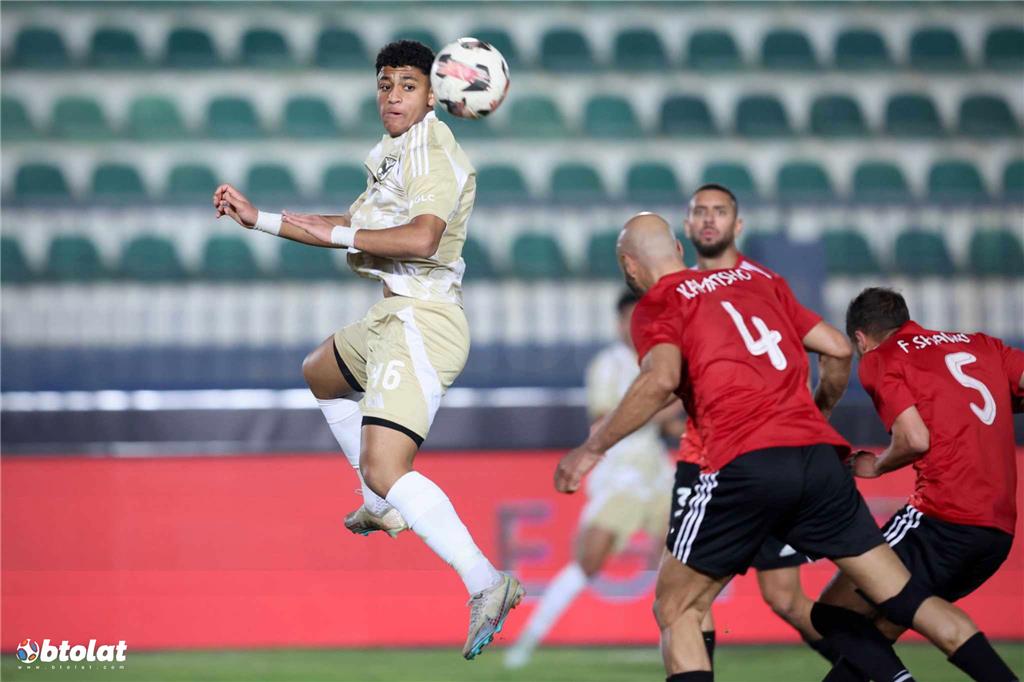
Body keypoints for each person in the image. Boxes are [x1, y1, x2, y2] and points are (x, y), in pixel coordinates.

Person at [553, 211, 1016, 682]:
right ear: (678, 248)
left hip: (745, 464)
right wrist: (819, 412)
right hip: (819, 461)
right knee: (902, 598)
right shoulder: (756, 281)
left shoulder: (661, 302)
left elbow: (660, 378)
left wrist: (591, 448)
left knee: (678, 607)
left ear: (629, 266)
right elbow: (838, 349)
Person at [212, 40, 522, 660]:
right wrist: (261, 219)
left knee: (386, 466)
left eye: (408, 85)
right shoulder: (393, 154)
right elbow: (343, 227)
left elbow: (422, 238)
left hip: (423, 321)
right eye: (385, 85)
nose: (393, 96)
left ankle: (487, 581)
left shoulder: (432, 148)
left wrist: (345, 234)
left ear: (434, 95)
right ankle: (379, 504)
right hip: (392, 315)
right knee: (321, 372)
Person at [814, 287, 1023, 682]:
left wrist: (876, 466)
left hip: (942, 519)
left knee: (832, 612)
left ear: (861, 338)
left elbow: (914, 439)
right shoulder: (982, 345)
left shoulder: (882, 358)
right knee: (881, 631)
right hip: (996, 533)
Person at [673, 185, 841, 667]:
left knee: (693, 600)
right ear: (688, 225)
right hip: (738, 456)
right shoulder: (732, 285)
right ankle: (876, 668)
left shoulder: (756, 285)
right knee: (769, 599)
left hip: (726, 459)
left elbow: (832, 348)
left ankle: (863, 667)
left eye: (719, 212)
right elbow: (836, 348)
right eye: (701, 212)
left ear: (738, 225)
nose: (709, 220)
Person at [504, 291, 683, 669]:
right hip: (620, 476)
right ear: (619, 323)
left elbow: (667, 425)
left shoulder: (660, 361)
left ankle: (678, 646)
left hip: (658, 472)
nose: (636, 328)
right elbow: (605, 421)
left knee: (677, 562)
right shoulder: (609, 365)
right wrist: (668, 406)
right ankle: (527, 641)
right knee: (589, 560)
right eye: (630, 319)